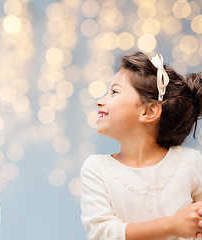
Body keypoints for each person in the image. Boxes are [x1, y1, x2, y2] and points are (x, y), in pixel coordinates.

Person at [80, 51, 202, 239]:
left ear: (149, 111)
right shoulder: (96, 169)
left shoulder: (192, 163)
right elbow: (102, 233)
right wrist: (172, 225)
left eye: (114, 92)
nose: (100, 101)